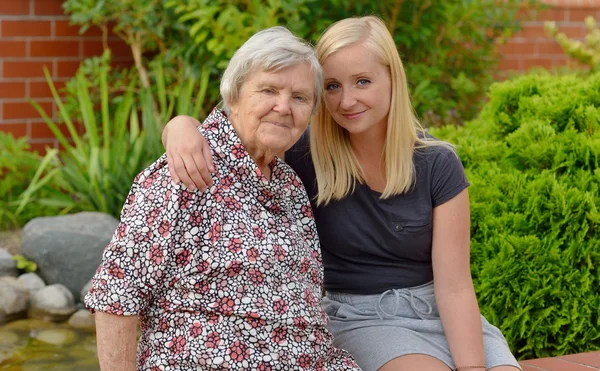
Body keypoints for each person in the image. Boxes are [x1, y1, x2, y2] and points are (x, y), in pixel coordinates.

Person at [162, 16, 522, 371]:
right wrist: (179, 127)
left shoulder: (436, 163)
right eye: (332, 86)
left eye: (362, 81)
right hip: (360, 318)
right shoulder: (303, 155)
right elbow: (238, 129)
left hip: (439, 311)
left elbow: (455, 288)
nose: (347, 100)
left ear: (392, 79)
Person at [84, 26, 361, 371]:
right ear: (234, 96)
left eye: (300, 98)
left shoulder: (288, 181)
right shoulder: (187, 171)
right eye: (268, 90)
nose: (283, 107)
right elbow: (116, 295)